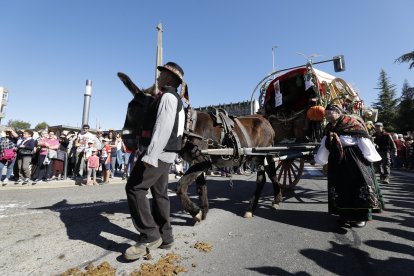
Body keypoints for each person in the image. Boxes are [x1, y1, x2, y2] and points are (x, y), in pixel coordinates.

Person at [124, 61, 186, 260]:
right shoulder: (174, 98)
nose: (158, 78)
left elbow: (164, 127)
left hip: (158, 153)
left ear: (169, 78)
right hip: (166, 154)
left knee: (135, 188)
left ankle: (150, 235)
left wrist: (151, 155)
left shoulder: (167, 97)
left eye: (161, 75)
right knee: (160, 194)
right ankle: (166, 237)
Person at [315, 104, 384, 228]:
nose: (327, 115)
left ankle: (361, 217)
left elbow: (364, 140)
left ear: (338, 112)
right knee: (340, 187)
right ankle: (344, 215)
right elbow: (325, 145)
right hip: (337, 160)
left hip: (355, 158)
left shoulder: (352, 123)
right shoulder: (329, 127)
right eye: (326, 113)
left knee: (358, 185)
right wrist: (321, 159)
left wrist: (369, 157)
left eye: (329, 112)